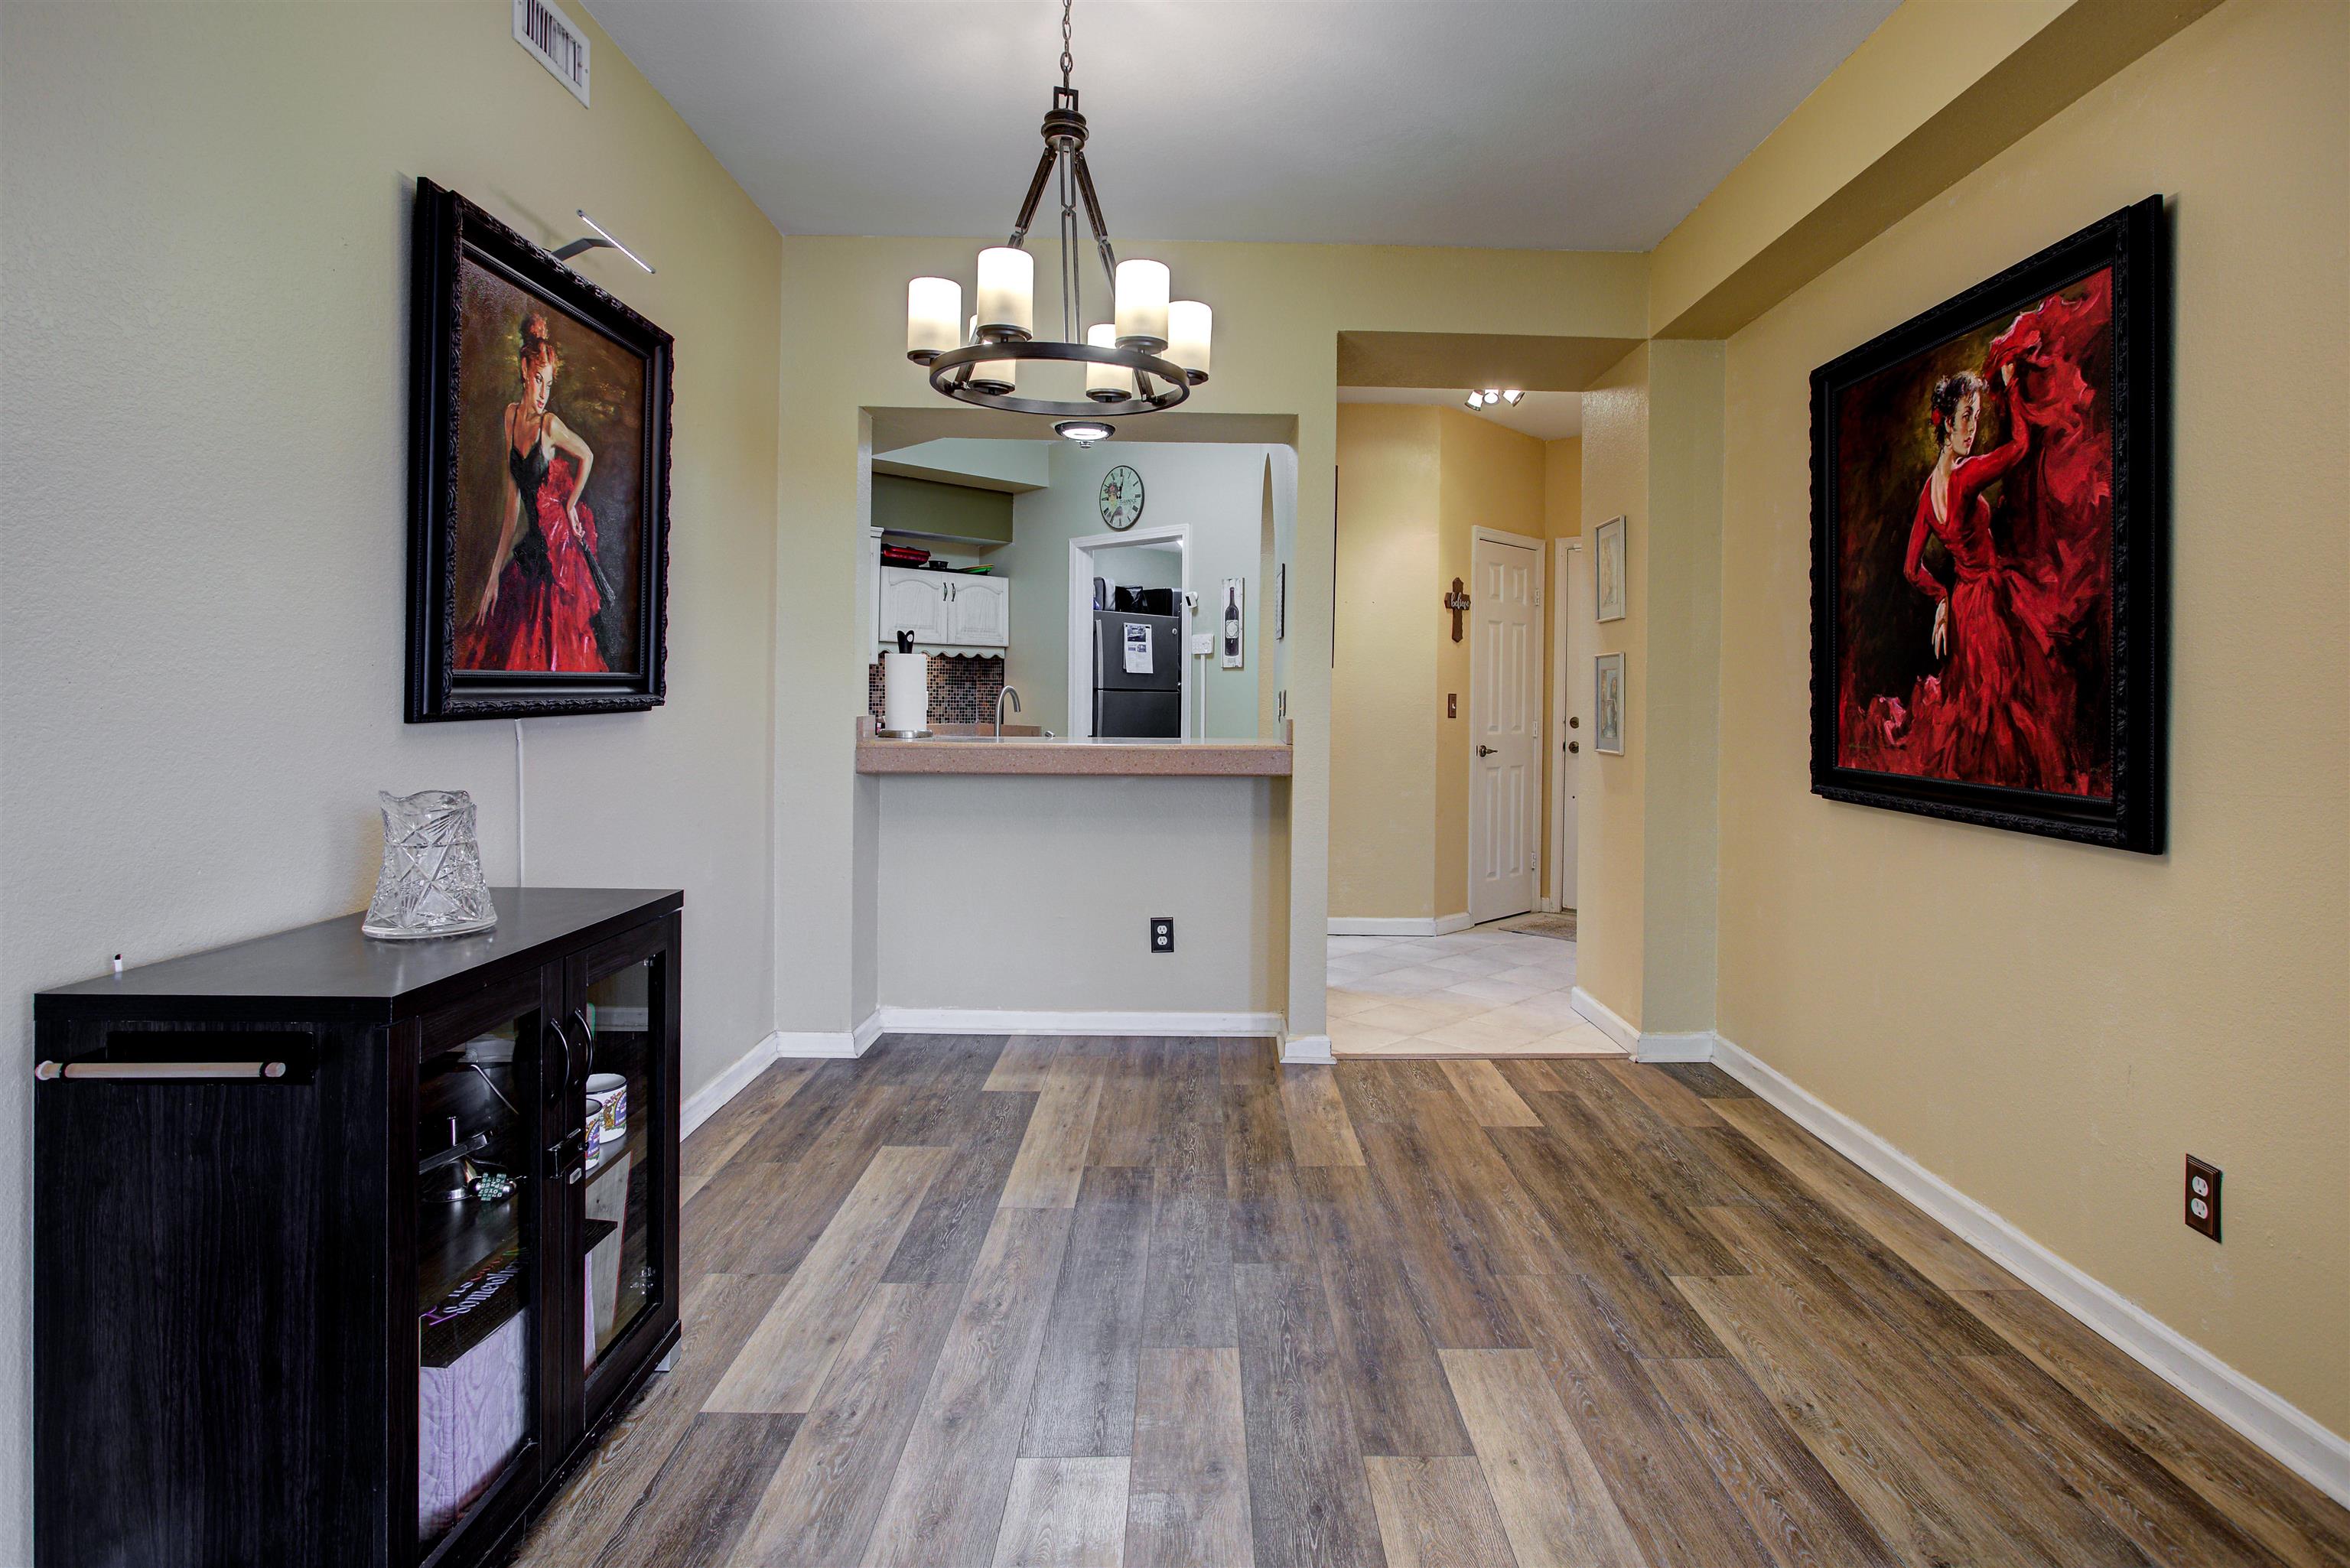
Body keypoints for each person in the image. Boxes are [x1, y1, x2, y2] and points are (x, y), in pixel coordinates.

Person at [458, 314, 605, 672]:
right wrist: (493, 574)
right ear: (525, 370)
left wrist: (571, 504)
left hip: (556, 555)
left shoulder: (549, 425)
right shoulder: (510, 418)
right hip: (529, 556)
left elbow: (586, 454)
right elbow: (512, 508)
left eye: (550, 384)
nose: (543, 393)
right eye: (539, 380)